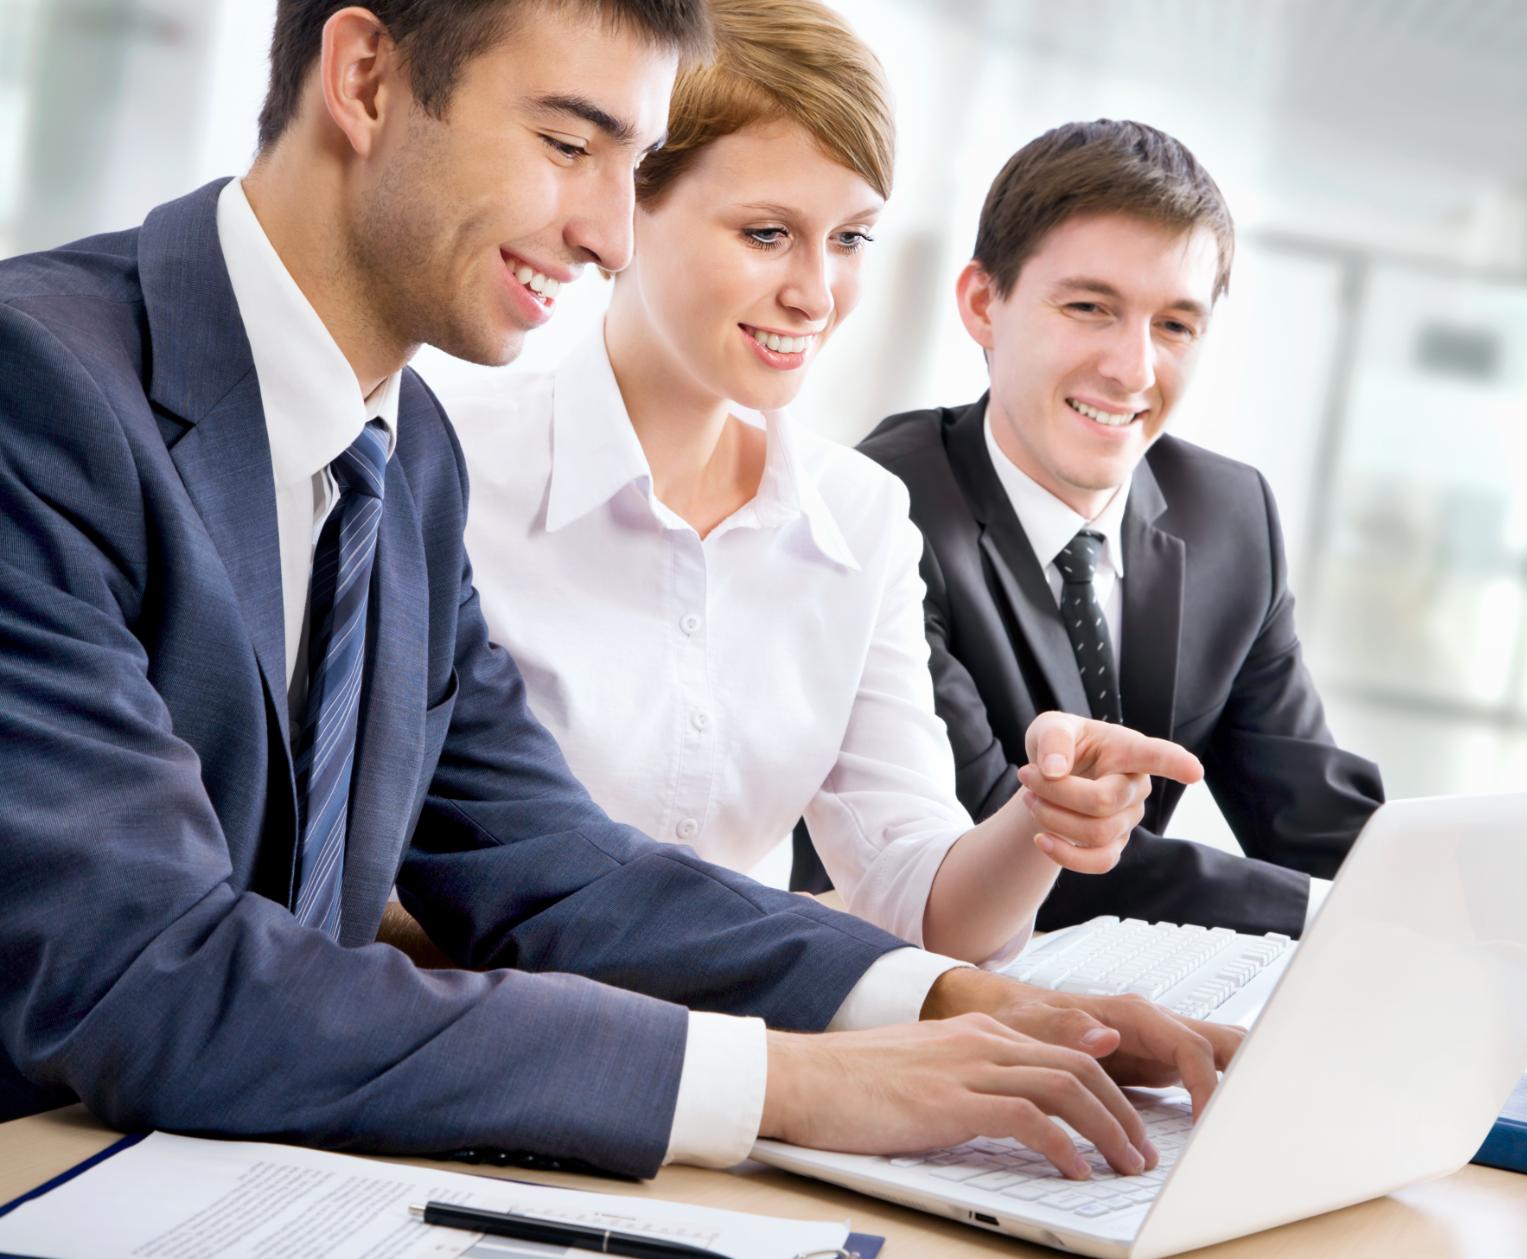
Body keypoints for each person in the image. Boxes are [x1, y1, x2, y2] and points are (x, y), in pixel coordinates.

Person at [0, 4, 1239, 1184]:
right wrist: (783, 1084)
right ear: (367, 80)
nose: (607, 233)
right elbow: (145, 976)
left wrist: (966, 1002)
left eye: (631, 162)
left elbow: (552, 860)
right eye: (566, 145)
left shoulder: (401, 449)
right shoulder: (40, 389)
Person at [446, 0, 1198, 967]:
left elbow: (919, 900)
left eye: (850, 239)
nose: (816, 292)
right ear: (627, 203)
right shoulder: (453, 472)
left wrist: (1039, 819)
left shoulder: (861, 518)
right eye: (767, 233)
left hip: (750, 1056)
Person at [793, 120, 1387, 938]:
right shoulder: (883, 507)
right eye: (1089, 308)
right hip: (903, 985)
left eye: (1175, 325)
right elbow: (1015, 849)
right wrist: (1337, 913)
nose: (1133, 369)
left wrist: (1458, 907)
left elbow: (1316, 821)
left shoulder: (1231, 516)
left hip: (1109, 984)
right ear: (982, 304)